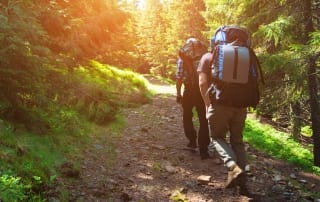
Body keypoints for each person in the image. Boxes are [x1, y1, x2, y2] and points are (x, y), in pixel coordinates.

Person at [197, 37, 251, 195]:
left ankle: (232, 166)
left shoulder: (208, 57)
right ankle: (243, 184)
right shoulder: (245, 56)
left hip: (220, 105)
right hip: (241, 106)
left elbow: (202, 82)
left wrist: (207, 105)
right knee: (237, 141)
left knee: (217, 137)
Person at [176, 38, 210, 160]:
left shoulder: (182, 58)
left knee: (187, 115)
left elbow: (179, 77)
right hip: (202, 91)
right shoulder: (205, 56)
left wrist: (178, 93)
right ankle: (204, 149)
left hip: (189, 90)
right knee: (203, 119)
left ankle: (192, 141)